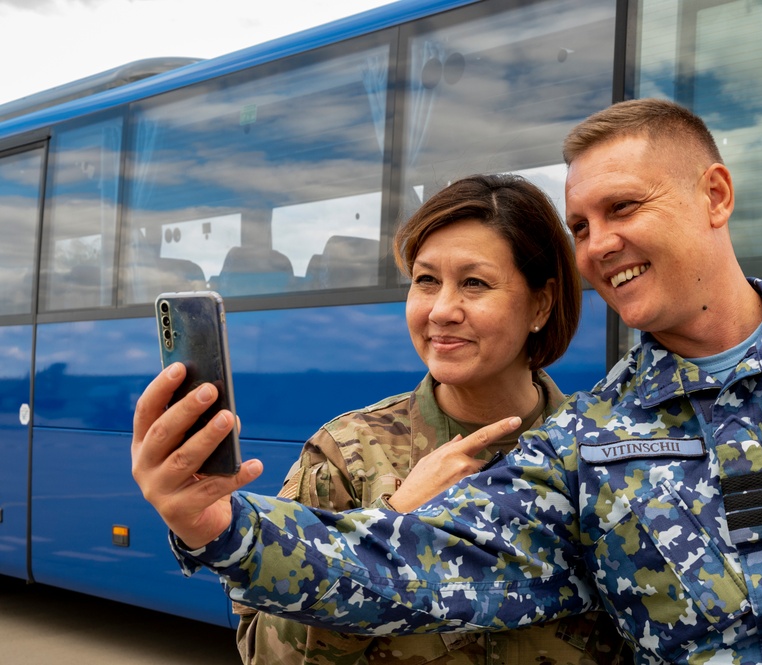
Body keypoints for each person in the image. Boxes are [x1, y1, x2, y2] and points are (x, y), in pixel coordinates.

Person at [133, 98, 762, 663]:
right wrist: (223, 527)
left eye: (623, 208)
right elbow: (423, 567)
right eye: (581, 224)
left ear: (715, 194)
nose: (598, 244)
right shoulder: (585, 443)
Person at [240, 175, 630, 663]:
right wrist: (390, 523)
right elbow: (264, 653)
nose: (442, 310)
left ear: (541, 304)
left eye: (474, 283)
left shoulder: (608, 451)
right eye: (426, 280)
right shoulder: (347, 455)